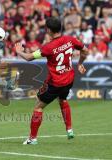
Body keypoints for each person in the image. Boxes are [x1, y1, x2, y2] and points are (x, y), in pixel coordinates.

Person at [15, 17, 89, 145]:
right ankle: (69, 129)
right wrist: (80, 63)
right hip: (69, 79)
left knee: (38, 106)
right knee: (63, 100)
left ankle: (32, 139)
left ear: (48, 30)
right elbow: (85, 50)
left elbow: (28, 58)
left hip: (55, 82)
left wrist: (19, 51)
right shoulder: (70, 40)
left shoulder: (48, 48)